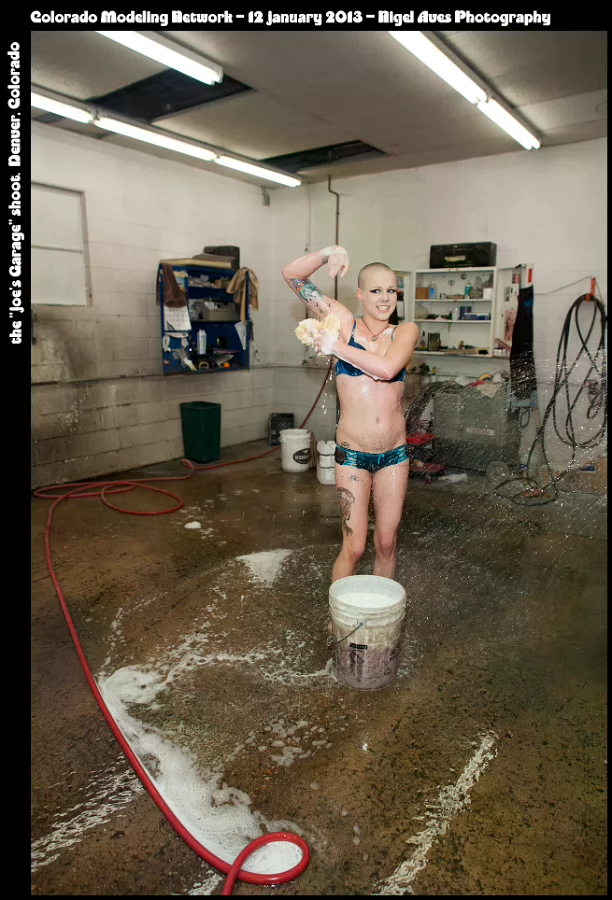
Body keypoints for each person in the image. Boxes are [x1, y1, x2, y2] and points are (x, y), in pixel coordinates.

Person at [282, 245, 420, 582]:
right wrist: (328, 253)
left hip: (394, 455)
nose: (385, 298)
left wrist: (335, 347)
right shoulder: (343, 323)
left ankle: (380, 611)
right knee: (354, 547)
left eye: (391, 291)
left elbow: (387, 369)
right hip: (353, 456)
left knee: (386, 544)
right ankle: (339, 615)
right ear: (360, 294)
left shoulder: (405, 331)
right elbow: (291, 275)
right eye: (376, 290)